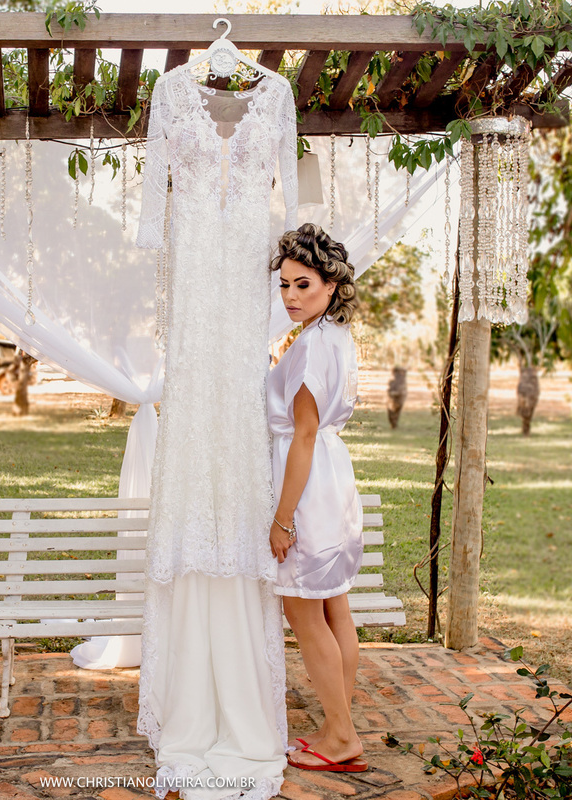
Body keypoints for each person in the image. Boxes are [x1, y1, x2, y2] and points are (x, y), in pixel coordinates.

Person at [265, 223, 367, 773]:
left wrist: (283, 519)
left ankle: (343, 737)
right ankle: (336, 726)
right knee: (334, 606)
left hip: (306, 485)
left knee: (304, 613)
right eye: (284, 285)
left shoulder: (310, 347)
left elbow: (302, 435)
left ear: (331, 285)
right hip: (333, 479)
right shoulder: (334, 335)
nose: (291, 296)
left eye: (303, 285)